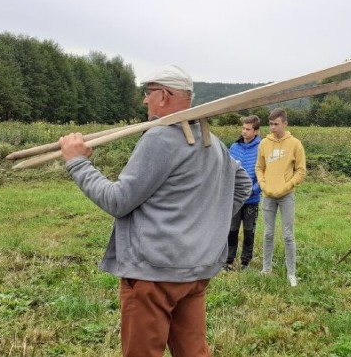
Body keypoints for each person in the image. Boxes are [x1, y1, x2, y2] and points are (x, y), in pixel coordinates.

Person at [58, 64, 251, 357]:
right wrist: (206, 226)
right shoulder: (211, 141)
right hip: (194, 271)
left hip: (154, 273)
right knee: (193, 352)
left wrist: (77, 163)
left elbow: (117, 200)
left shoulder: (160, 137)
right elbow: (242, 185)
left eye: (148, 93)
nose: (145, 100)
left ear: (164, 95)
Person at [256, 108, 306, 287]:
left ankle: (291, 273)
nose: (272, 128)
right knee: (268, 233)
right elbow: (259, 167)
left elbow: (301, 171)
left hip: (286, 196)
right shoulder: (264, 144)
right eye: (270, 124)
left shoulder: (295, 144)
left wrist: (288, 185)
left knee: (288, 235)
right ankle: (266, 269)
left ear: (285, 123)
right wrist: (263, 185)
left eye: (276, 124)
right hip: (268, 195)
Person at [226, 115, 262, 271]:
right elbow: (227, 169)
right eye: (243, 128)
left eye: (248, 129)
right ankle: (228, 260)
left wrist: (253, 190)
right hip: (234, 197)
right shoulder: (234, 147)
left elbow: (264, 173)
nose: (244, 132)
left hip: (252, 199)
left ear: (256, 131)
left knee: (248, 232)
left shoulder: (262, 148)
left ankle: (245, 262)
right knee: (231, 230)